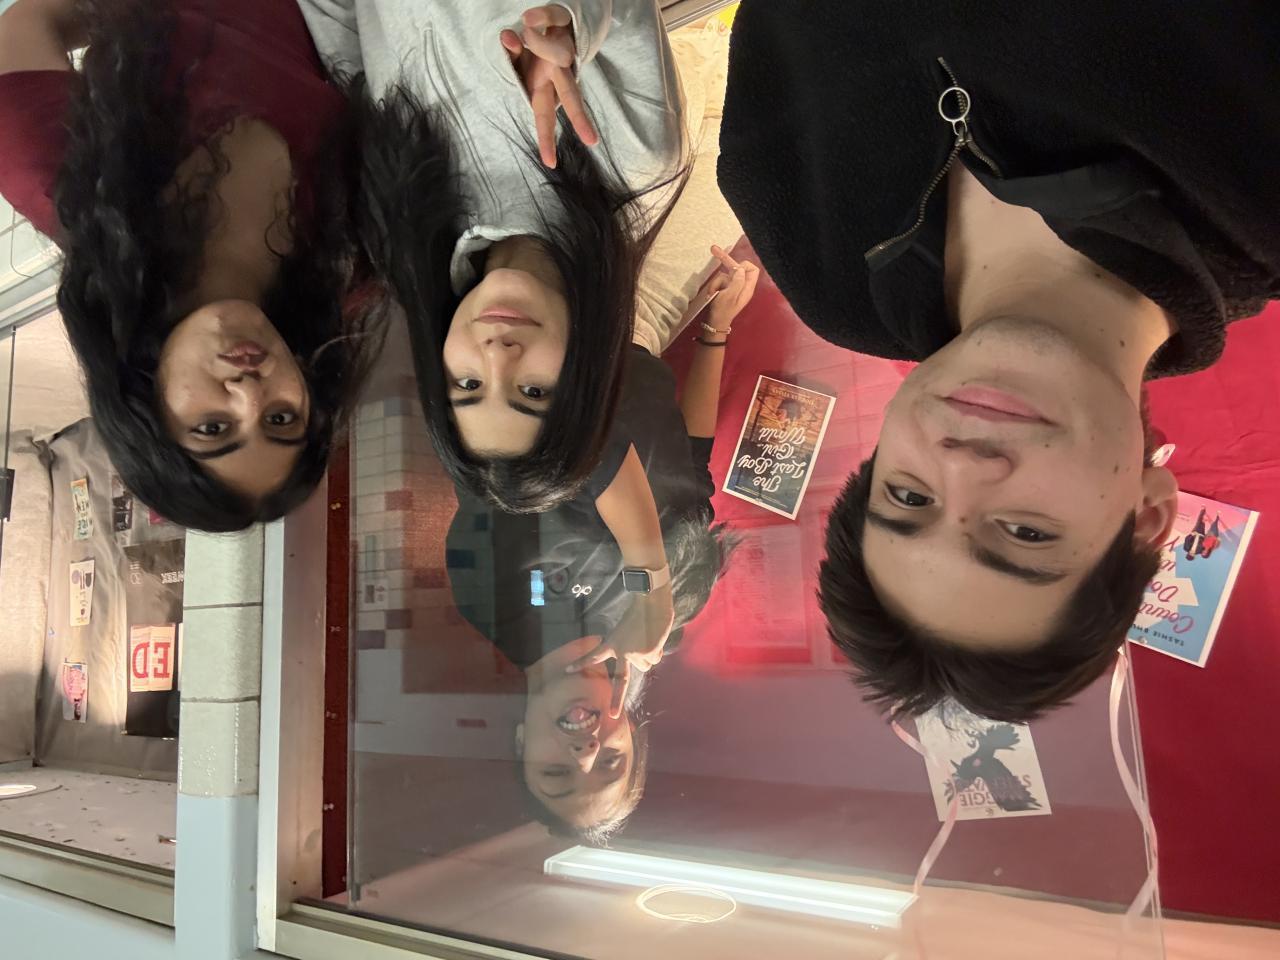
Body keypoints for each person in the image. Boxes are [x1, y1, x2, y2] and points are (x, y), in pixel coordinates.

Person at [716, 1, 1280, 722]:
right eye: (1024, 532)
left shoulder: (824, 270)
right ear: (1146, 517)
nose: (961, 466)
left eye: (909, 498)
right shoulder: (1257, 197)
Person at [0, 0, 383, 531]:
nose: (249, 393)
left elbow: (30, 20)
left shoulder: (53, 177)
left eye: (212, 427)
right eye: (280, 418)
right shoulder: (350, 261)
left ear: (145, 409)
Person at [297, 1, 687, 513]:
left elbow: (346, 49)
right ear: (585, 377)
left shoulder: (398, 232)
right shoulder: (633, 163)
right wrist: (573, 20)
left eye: (469, 384)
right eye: (533, 390)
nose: (498, 355)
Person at [447, 240, 757, 840]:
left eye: (557, 774)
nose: (586, 753)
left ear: (521, 742)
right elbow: (690, 467)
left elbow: (570, 446)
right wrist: (714, 333)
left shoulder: (489, 598)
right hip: (652, 320)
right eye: (612, 763)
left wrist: (650, 585)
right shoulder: (676, 615)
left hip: (563, 316)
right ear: (632, 736)